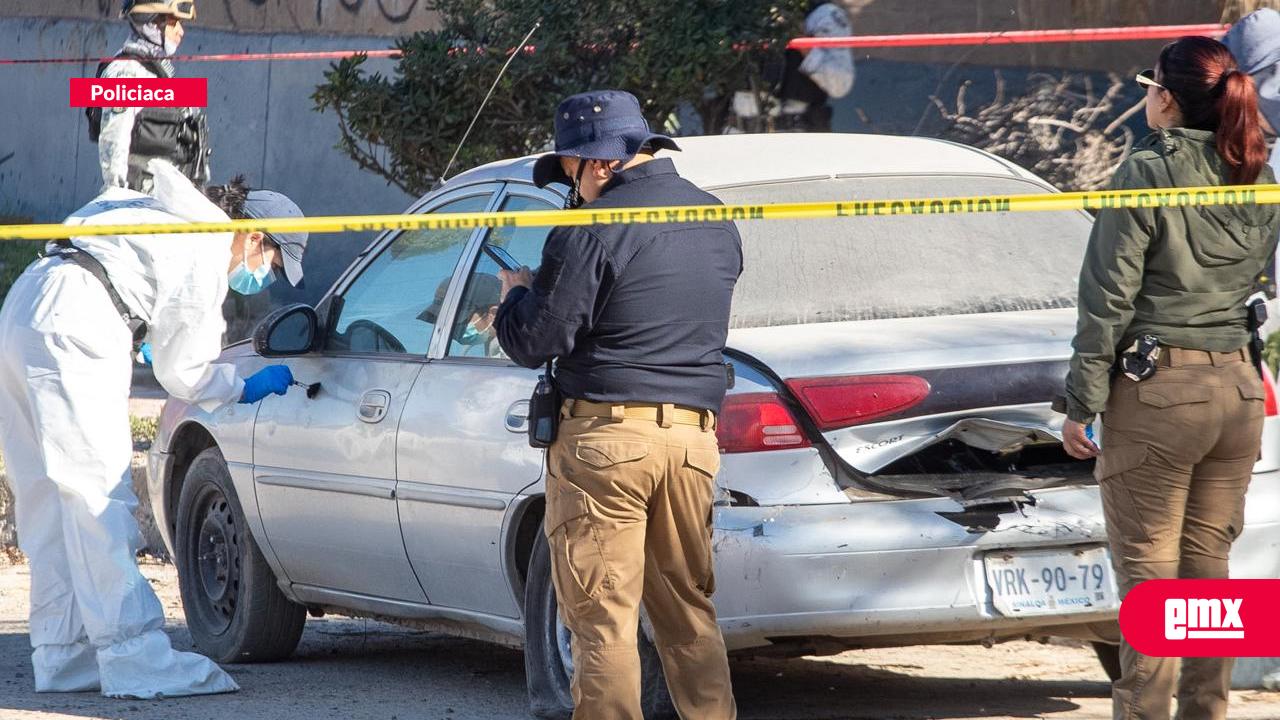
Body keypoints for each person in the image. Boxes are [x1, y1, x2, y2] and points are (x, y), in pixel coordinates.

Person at [0, 159, 304, 699]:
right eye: (272, 263)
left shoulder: (161, 205)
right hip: (78, 324)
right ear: (253, 236)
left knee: (46, 496)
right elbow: (183, 372)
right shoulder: (209, 246)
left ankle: (64, 654)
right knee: (98, 498)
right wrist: (241, 386)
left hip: (25, 306)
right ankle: (132, 655)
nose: (262, 280)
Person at [495, 90, 742, 720]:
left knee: (603, 620)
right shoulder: (715, 218)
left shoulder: (592, 227)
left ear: (601, 162)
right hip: (693, 442)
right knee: (689, 613)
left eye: (571, 171)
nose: (571, 188)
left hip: (605, 443)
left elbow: (539, 340)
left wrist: (515, 298)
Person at [1060, 37, 1280, 720]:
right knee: (1207, 572)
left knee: (1151, 578)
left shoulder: (1148, 171)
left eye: (1149, 85)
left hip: (1160, 393)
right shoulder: (1258, 171)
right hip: (1238, 390)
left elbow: (1107, 298)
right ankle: (1207, 712)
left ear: (1166, 98)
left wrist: (1081, 402)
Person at [91, 0, 210, 192]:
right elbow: (114, 137)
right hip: (138, 199)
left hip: (165, 195)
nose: (181, 32)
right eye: (174, 23)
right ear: (151, 24)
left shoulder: (156, 71)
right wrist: (115, 192)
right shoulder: (127, 71)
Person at [776, 1, 855, 131]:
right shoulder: (740, 11)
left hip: (799, 135)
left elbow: (840, 84)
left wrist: (802, 43)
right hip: (739, 136)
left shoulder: (824, 15)